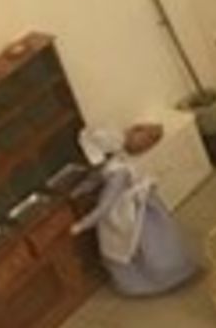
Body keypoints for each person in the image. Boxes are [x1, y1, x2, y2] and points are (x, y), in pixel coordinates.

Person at [70, 127, 197, 297]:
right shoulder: (116, 162)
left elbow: (105, 206)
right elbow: (95, 179)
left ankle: (151, 282)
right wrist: (80, 190)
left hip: (128, 212)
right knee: (153, 243)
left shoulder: (117, 174)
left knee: (129, 244)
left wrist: (81, 225)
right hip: (133, 205)